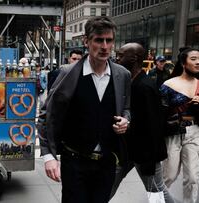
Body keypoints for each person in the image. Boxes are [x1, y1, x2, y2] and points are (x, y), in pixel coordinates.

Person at [38, 16, 131, 203]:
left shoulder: (122, 75)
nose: (105, 46)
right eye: (98, 40)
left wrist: (126, 120)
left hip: (106, 161)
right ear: (86, 41)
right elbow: (47, 115)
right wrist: (48, 155)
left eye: (109, 40)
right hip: (74, 160)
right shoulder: (67, 73)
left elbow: (126, 108)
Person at [115, 42, 175, 203]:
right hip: (128, 150)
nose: (117, 58)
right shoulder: (131, 81)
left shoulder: (145, 86)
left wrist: (150, 161)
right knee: (106, 186)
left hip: (145, 154)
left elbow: (154, 127)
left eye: (121, 55)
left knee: (157, 192)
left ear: (134, 58)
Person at [160, 47, 199, 203]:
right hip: (173, 133)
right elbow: (160, 111)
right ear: (184, 63)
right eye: (194, 59)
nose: (198, 62)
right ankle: (157, 199)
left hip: (194, 131)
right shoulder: (169, 84)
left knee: (193, 177)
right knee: (169, 175)